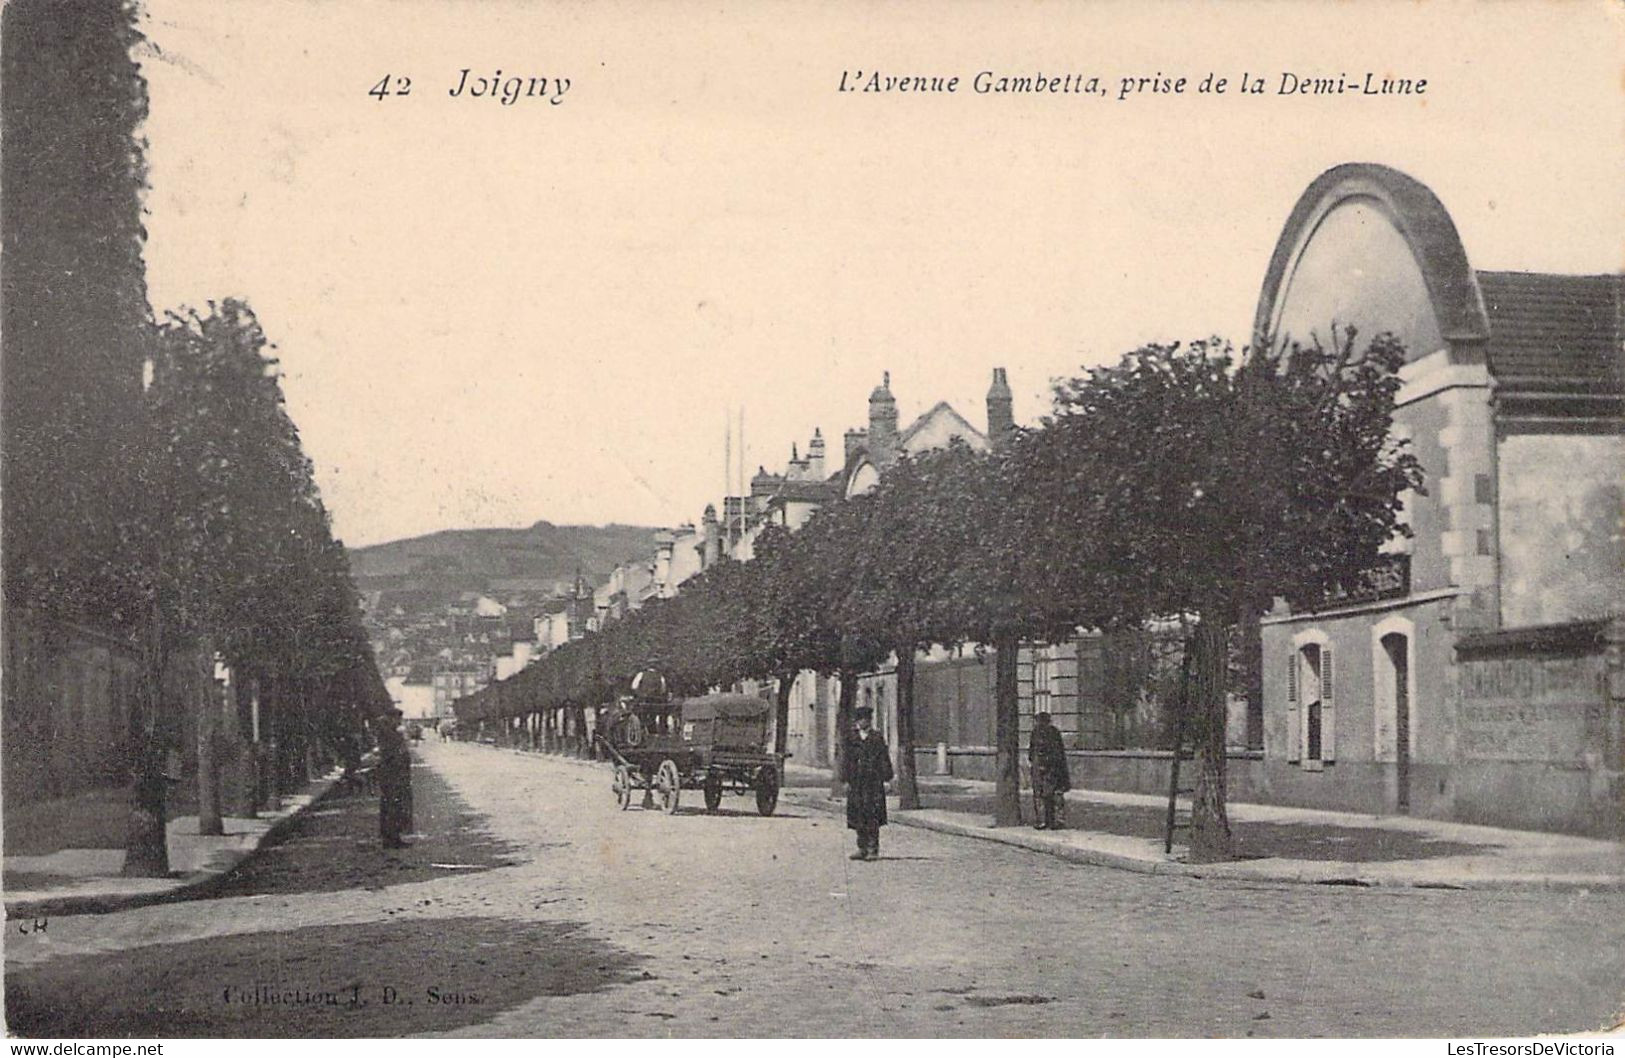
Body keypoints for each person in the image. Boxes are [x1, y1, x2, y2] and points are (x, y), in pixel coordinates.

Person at [842, 705, 892, 861]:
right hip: (856, 782)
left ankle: (873, 848)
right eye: (860, 719)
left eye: (866, 719)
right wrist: (846, 780)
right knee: (858, 814)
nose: (863, 722)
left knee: (872, 815)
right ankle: (861, 847)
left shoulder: (877, 738)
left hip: (873, 782)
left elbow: (884, 759)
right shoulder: (852, 738)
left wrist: (886, 779)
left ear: (869, 721)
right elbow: (847, 761)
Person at [378, 708, 415, 849]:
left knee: (396, 806)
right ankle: (390, 838)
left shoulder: (390, 732)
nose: (399, 722)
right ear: (391, 718)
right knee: (393, 806)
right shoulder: (389, 734)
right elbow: (393, 755)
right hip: (393, 776)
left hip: (396, 775)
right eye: (397, 719)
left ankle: (394, 837)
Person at [1028, 711, 1071, 830]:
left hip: (1047, 768)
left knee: (1042, 795)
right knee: (1053, 794)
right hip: (1053, 768)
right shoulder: (1053, 732)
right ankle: (1055, 820)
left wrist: (1039, 764)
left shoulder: (1037, 733)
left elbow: (1031, 753)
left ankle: (1044, 820)